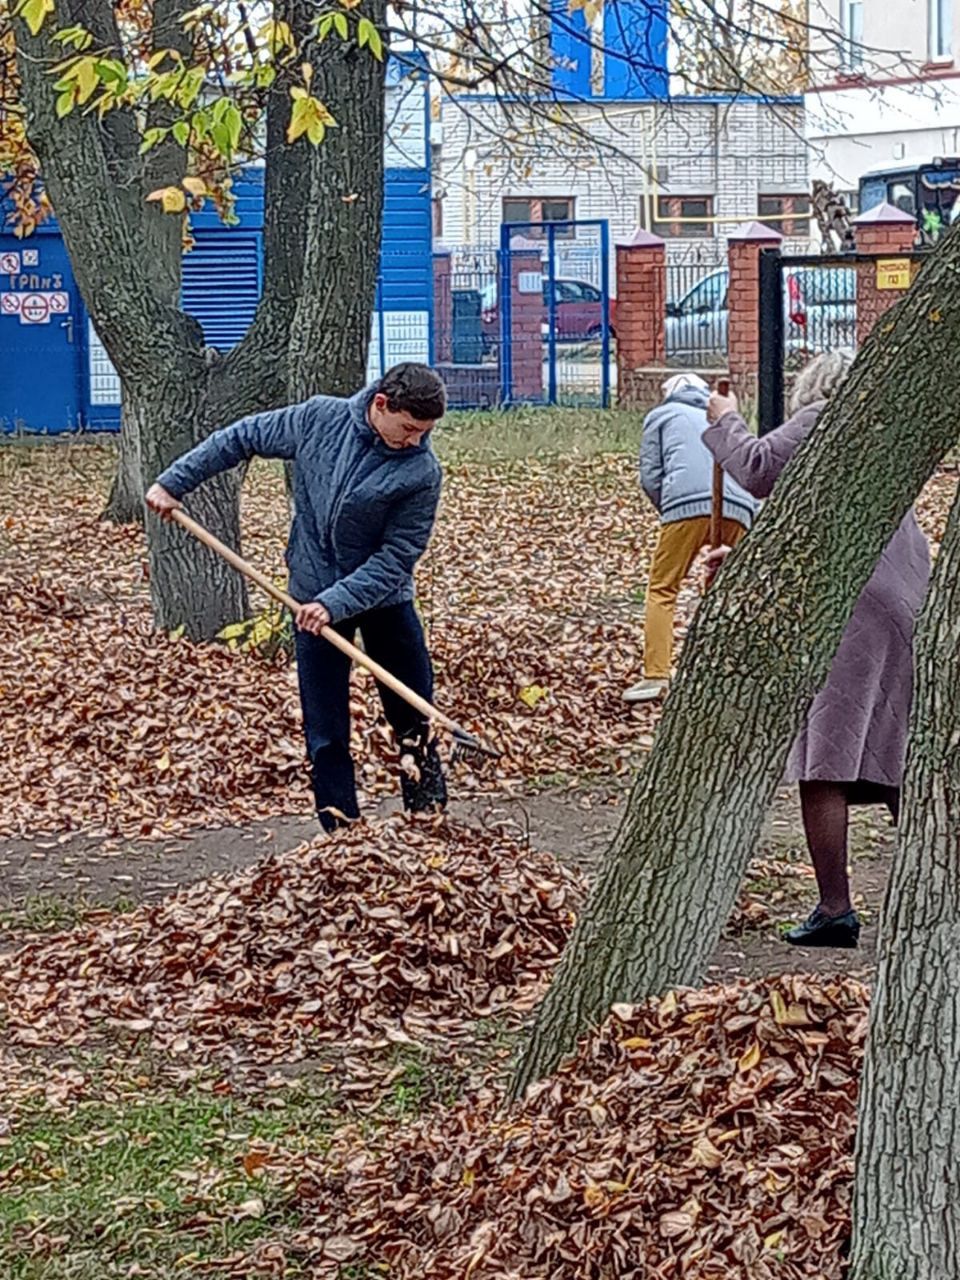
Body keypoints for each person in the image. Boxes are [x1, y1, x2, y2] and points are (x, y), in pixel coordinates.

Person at [145, 362, 449, 832]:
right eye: (408, 428)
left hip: (383, 598)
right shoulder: (317, 420)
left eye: (423, 432)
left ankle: (429, 818)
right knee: (325, 727)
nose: (414, 440)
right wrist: (173, 482)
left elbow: (396, 557)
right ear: (381, 404)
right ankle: (341, 830)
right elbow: (240, 437)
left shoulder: (421, 472)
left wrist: (337, 601)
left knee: (412, 711)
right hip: (309, 594)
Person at [704, 351, 931, 948]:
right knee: (890, 748)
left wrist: (724, 417)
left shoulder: (827, 419)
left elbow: (754, 468)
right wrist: (752, 561)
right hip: (903, 592)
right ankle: (943, 888)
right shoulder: (884, 438)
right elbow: (815, 524)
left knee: (823, 756)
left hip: (853, 606)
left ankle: (835, 908)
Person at [624, 373, 758, 703]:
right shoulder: (724, 417)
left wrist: (669, 510)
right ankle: (725, 670)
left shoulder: (661, 415)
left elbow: (651, 475)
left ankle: (656, 674)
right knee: (730, 589)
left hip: (684, 506)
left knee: (662, 587)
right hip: (740, 506)